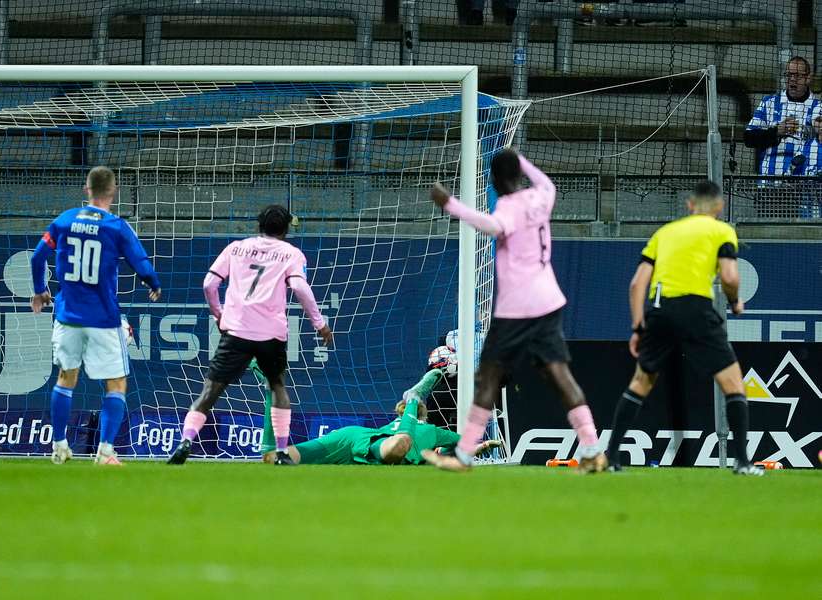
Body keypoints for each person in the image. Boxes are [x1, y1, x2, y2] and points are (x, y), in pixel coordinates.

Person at [422, 148, 607, 473]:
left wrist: (449, 204)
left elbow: (491, 226)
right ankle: (593, 448)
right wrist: (522, 161)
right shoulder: (541, 196)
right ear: (520, 171)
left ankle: (464, 456)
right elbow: (547, 182)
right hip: (548, 302)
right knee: (560, 375)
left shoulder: (507, 207)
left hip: (516, 308)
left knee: (488, 376)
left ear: (494, 179)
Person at [603, 180, 763, 476]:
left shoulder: (664, 233)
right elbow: (729, 276)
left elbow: (637, 283)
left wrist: (638, 326)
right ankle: (743, 463)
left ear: (689, 205)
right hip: (696, 309)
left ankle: (611, 458)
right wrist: (735, 302)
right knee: (733, 384)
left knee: (640, 383)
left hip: (660, 310)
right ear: (719, 206)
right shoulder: (722, 230)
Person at [167, 204, 333, 466]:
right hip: (271, 335)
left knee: (210, 390)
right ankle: (280, 453)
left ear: (259, 226)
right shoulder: (292, 254)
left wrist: (219, 315)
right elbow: (300, 287)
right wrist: (319, 323)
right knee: (277, 386)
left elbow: (209, 283)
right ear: (286, 229)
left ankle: (185, 441)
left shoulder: (235, 248)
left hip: (237, 331)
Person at [30, 166, 162, 466]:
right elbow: (140, 262)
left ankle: (60, 446)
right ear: (113, 192)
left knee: (65, 379)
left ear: (86, 189)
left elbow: (38, 256)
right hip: (103, 318)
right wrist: (153, 283)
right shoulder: (116, 226)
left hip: (68, 315)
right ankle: (104, 452)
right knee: (116, 383)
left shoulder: (64, 220)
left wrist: (40, 290)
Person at [257, 367, 500, 465]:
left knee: (274, 457)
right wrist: (478, 447)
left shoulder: (409, 430)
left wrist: (476, 449)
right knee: (400, 446)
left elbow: (447, 453)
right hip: (381, 445)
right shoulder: (430, 431)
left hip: (350, 437)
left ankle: (271, 390)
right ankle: (415, 396)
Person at [745, 56, 822, 217]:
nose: (792, 80)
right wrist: (777, 131)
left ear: (808, 78)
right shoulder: (769, 103)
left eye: (798, 75)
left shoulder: (818, 108)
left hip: (803, 189)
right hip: (769, 186)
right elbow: (749, 138)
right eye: (789, 75)